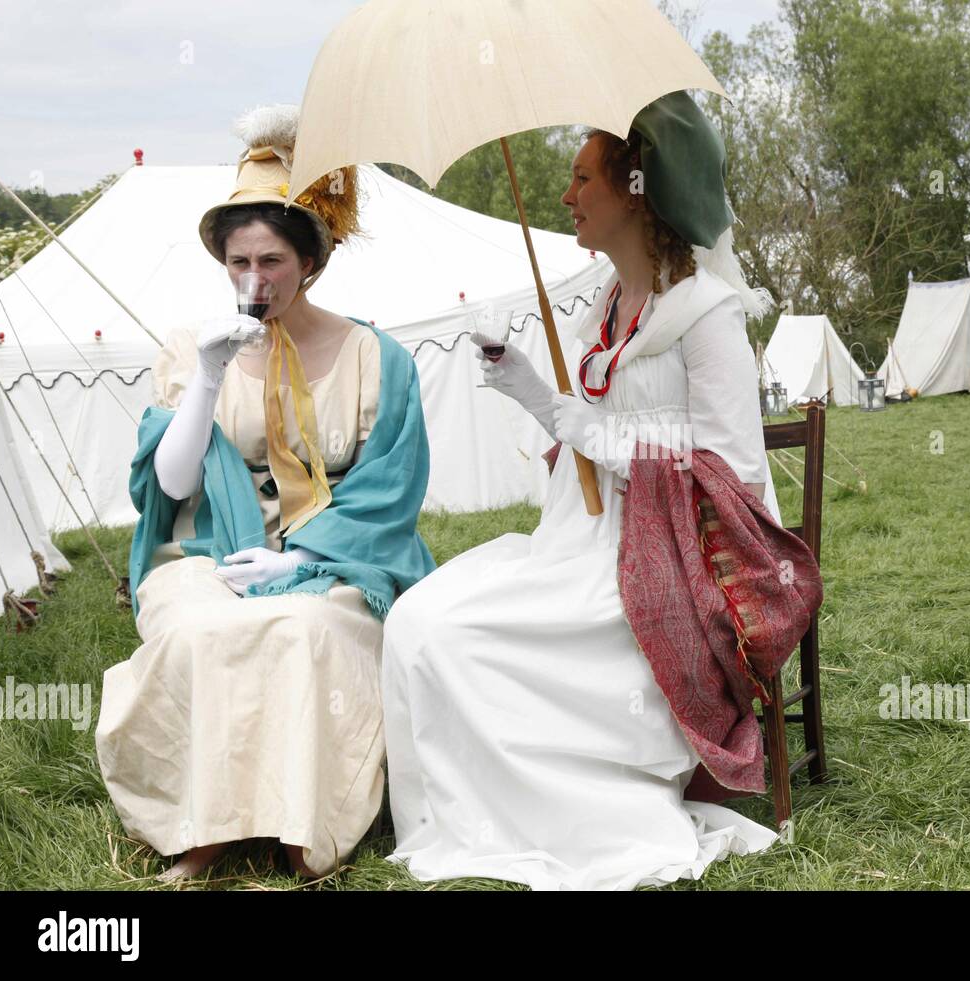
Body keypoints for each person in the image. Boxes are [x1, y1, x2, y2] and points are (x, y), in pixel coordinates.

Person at [380, 91, 820, 890]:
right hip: (580, 544)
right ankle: (464, 813)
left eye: (583, 178)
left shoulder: (707, 314)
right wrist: (536, 396)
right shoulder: (605, 313)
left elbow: (732, 472)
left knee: (458, 633)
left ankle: (554, 806)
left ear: (638, 190)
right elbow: (589, 442)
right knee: (418, 616)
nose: (566, 196)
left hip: (674, 565)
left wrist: (570, 419)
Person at [95, 104, 436, 881]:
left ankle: (300, 824)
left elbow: (392, 488)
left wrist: (301, 557)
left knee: (307, 628)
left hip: (340, 560)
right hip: (211, 552)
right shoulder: (190, 349)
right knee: (197, 630)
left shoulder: (375, 356)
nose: (253, 280)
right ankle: (207, 825)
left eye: (271, 262)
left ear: (310, 261)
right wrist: (209, 376)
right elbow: (169, 485)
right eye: (238, 262)